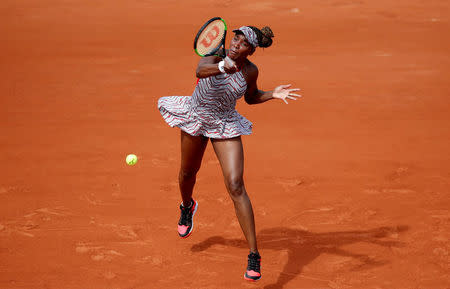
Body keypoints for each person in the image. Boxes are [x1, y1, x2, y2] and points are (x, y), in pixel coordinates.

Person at [157, 25, 301, 281]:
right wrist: (223, 66)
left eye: (243, 43)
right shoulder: (215, 53)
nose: (236, 44)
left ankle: (254, 255)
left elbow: (251, 97)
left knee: (236, 185)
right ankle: (187, 206)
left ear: (251, 51)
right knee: (188, 172)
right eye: (236, 37)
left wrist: (272, 94)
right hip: (195, 116)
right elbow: (200, 70)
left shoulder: (250, 71)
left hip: (224, 123)